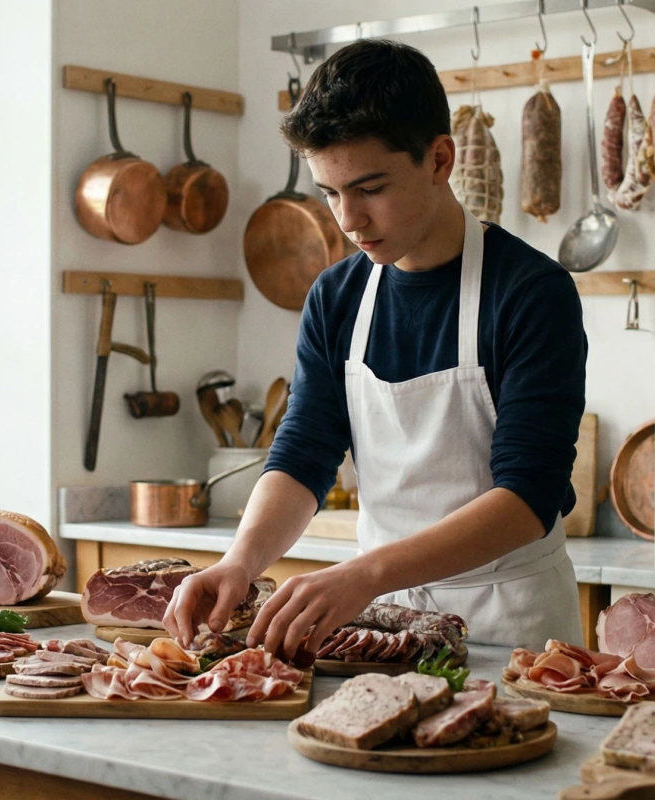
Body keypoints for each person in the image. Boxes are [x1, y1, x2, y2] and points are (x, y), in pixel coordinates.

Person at [162, 39, 587, 662]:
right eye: (330, 193)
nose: (349, 219)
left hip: (512, 622)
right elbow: (304, 451)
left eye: (369, 187)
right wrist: (240, 560)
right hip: (382, 622)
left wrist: (365, 574)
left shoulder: (530, 293)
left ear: (439, 159)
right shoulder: (337, 296)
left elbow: (527, 499)